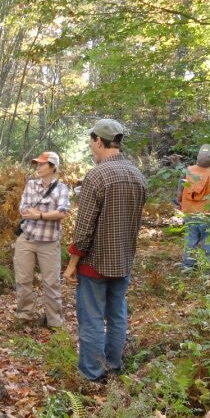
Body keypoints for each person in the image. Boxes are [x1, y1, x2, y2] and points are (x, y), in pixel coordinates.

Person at [64, 119, 147, 382]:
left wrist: (72, 262)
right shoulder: (137, 175)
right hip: (123, 261)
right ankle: (113, 365)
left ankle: (92, 374)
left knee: (91, 320)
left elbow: (84, 227)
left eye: (91, 143)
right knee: (117, 315)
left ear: (99, 141)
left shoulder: (96, 175)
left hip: (95, 263)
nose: (91, 149)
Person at [14, 152, 70, 328]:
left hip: (49, 241)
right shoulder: (31, 185)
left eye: (42, 164)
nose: (38, 167)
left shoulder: (62, 189)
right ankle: (24, 316)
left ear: (53, 167)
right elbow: (24, 210)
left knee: (51, 282)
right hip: (27, 238)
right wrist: (48, 214)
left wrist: (38, 214)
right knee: (23, 279)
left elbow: (62, 212)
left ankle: (54, 322)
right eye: (37, 164)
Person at [176, 144, 210, 268]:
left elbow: (179, 193)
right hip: (208, 215)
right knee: (208, 240)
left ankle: (188, 265)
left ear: (197, 157)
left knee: (190, 240)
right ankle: (208, 266)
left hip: (190, 213)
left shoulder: (187, 171)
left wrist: (179, 204)